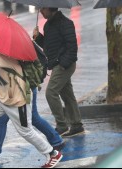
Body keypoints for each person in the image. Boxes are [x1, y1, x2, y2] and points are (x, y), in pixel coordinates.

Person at [33, 7, 84, 137]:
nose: (41, 11)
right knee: (67, 95)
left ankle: (62, 125)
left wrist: (63, 64)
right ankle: (76, 125)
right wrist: (39, 38)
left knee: (51, 92)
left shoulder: (66, 23)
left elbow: (72, 47)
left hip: (64, 65)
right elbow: (49, 47)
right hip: (57, 63)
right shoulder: (48, 25)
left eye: (43, 9)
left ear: (51, 8)